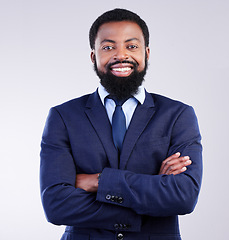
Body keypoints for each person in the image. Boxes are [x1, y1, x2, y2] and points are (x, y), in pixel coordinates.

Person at [40, 8, 202, 240]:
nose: (121, 55)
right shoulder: (63, 116)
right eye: (108, 47)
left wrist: (98, 181)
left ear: (146, 53)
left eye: (131, 46)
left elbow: (184, 196)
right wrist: (154, 187)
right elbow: (56, 205)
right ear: (94, 56)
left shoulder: (178, 115)